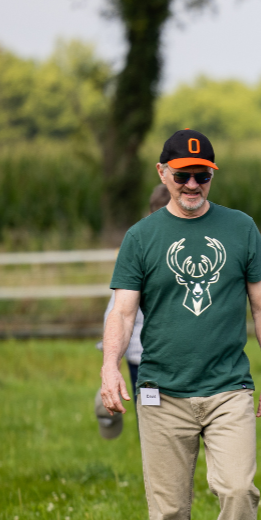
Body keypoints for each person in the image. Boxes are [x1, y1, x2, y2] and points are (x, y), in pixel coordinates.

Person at [100, 130, 261, 520]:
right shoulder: (141, 237)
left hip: (229, 387)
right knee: (169, 507)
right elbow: (122, 310)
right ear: (163, 175)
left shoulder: (240, 228)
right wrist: (109, 367)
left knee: (239, 490)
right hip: (162, 391)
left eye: (201, 175)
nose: (192, 184)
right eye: (182, 175)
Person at [96, 184, 171, 440]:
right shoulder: (141, 248)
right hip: (142, 357)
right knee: (150, 414)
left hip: (173, 356)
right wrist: (110, 360)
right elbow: (116, 310)